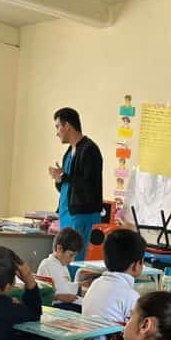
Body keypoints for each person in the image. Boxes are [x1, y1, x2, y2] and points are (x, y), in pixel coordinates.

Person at [49, 108, 103, 259]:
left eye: (58, 127)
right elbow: (67, 186)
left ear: (67, 126)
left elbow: (89, 184)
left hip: (82, 215)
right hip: (67, 214)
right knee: (62, 259)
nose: (57, 132)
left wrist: (64, 176)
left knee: (75, 260)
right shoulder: (69, 152)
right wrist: (59, 179)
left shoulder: (89, 150)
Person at [83, 228, 145, 324]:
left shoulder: (96, 284)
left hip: (85, 337)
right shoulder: (131, 296)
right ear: (136, 265)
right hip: (112, 338)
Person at [37, 226, 87, 308]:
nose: (72, 260)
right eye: (71, 255)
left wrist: (78, 285)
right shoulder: (46, 265)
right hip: (55, 306)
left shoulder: (62, 265)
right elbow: (41, 294)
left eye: (74, 256)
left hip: (66, 303)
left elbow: (64, 285)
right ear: (59, 249)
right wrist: (59, 296)